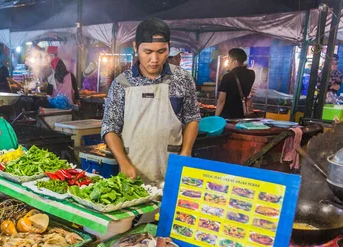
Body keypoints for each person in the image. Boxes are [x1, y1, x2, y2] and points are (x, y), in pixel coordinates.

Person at [101, 18, 200, 184]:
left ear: (169, 47)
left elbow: (192, 118)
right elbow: (109, 128)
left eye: (161, 51)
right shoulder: (121, 83)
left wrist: (186, 152)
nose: (154, 59)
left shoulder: (182, 78)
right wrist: (123, 162)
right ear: (135, 47)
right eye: (147, 52)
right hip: (133, 169)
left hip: (171, 167)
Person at [215, 48, 256, 119]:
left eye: (228, 60)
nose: (227, 63)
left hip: (227, 116)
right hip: (242, 115)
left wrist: (215, 118)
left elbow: (221, 100)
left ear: (235, 62)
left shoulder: (227, 77)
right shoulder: (251, 74)